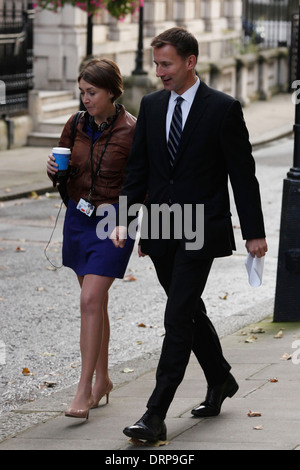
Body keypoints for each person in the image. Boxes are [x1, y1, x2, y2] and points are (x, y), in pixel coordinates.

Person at [111, 27, 268, 441]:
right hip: (162, 226)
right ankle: (220, 379)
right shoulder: (150, 105)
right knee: (189, 310)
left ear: (189, 62)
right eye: (157, 63)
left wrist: (254, 231)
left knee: (178, 315)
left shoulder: (222, 108)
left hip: (201, 226)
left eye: (166, 64)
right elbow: (138, 171)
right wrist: (126, 218)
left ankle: (155, 413)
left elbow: (243, 175)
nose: (159, 71)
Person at [47, 58, 136, 420]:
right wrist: (53, 169)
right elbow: (64, 166)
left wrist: (133, 223)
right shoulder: (76, 124)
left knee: (89, 299)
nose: (85, 98)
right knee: (94, 304)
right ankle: (103, 381)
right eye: (82, 91)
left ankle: (83, 389)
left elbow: (142, 181)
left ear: (112, 91)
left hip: (113, 223)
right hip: (78, 219)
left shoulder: (132, 130)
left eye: (92, 92)